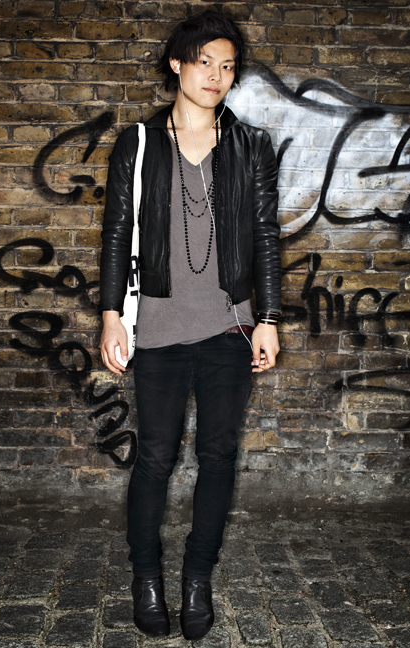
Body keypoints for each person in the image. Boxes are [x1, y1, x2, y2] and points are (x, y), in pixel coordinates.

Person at [99, 10, 281, 641]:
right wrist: (110, 317)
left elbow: (265, 236)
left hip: (229, 329)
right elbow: (116, 234)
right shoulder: (139, 144)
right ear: (177, 64)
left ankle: (197, 578)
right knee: (155, 458)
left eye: (228, 66)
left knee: (219, 455)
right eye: (205, 62)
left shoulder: (250, 146)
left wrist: (268, 318)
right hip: (158, 330)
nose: (216, 76)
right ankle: (146, 578)